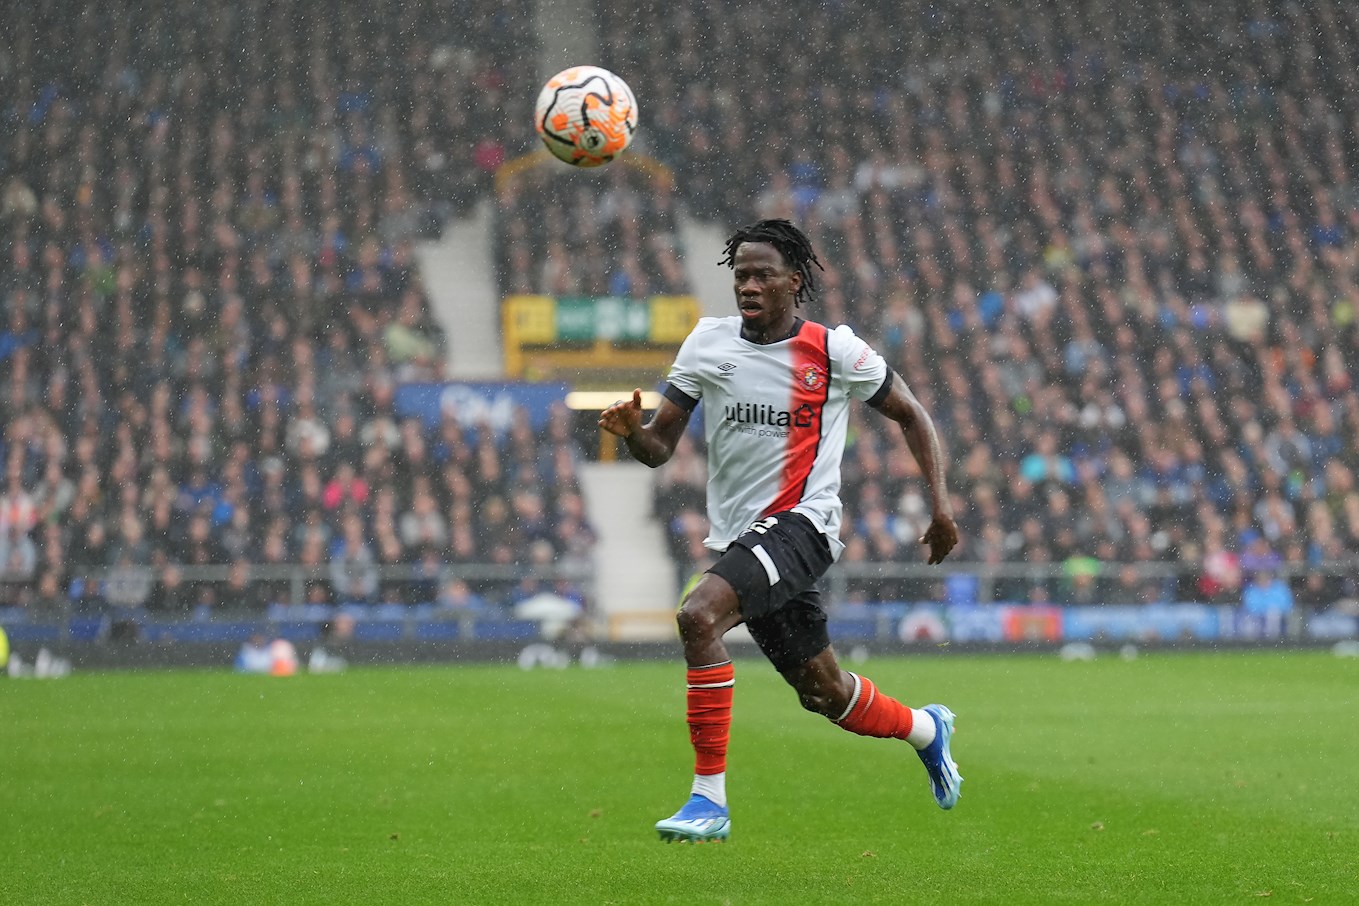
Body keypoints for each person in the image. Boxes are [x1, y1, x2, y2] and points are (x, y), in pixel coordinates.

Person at [599, 219, 962, 844]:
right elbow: (660, 447)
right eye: (740, 274)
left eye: (762, 274)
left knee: (697, 614)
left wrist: (941, 507)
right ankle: (928, 730)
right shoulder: (708, 343)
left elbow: (912, 413)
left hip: (804, 526)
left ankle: (707, 798)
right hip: (743, 539)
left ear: (795, 281)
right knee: (824, 693)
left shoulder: (835, 350)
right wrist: (632, 431)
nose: (748, 284)